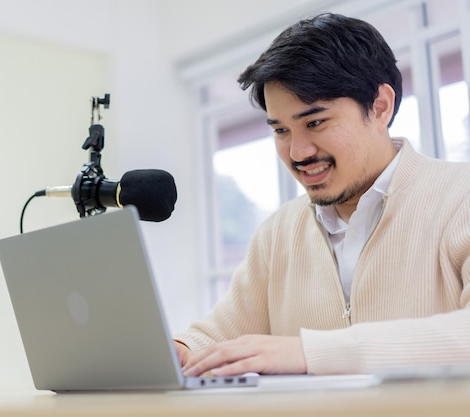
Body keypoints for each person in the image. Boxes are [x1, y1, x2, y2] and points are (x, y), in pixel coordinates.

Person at [174, 12, 470, 377]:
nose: (297, 152)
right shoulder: (277, 233)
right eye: (281, 130)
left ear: (380, 106)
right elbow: (218, 337)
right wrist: (179, 351)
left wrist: (309, 352)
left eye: (315, 122)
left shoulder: (461, 198)